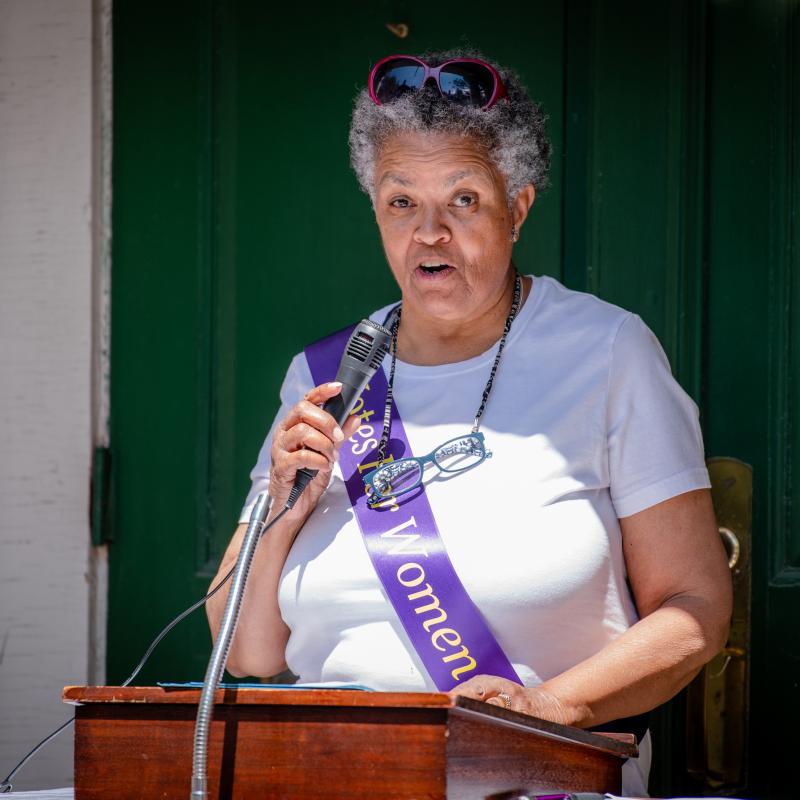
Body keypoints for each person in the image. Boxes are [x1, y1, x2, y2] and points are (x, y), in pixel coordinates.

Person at [206, 47, 732, 796]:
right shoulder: (329, 373)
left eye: (462, 200)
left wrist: (547, 708)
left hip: (535, 780)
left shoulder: (607, 352)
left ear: (517, 206)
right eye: (401, 202)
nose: (429, 233)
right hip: (332, 778)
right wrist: (284, 510)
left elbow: (696, 610)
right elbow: (249, 652)